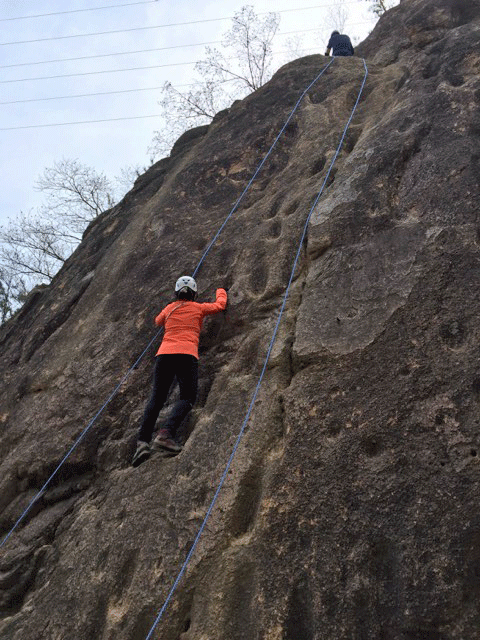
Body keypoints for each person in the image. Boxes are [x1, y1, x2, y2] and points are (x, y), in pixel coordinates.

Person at [132, 276, 228, 467]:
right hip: (186, 354)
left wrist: (173, 309)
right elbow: (219, 306)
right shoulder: (198, 307)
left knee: (157, 399)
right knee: (188, 397)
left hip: (164, 355)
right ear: (194, 294)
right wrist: (221, 290)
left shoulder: (170, 308)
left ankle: (142, 443)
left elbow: (158, 321)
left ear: (177, 293)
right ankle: (165, 434)